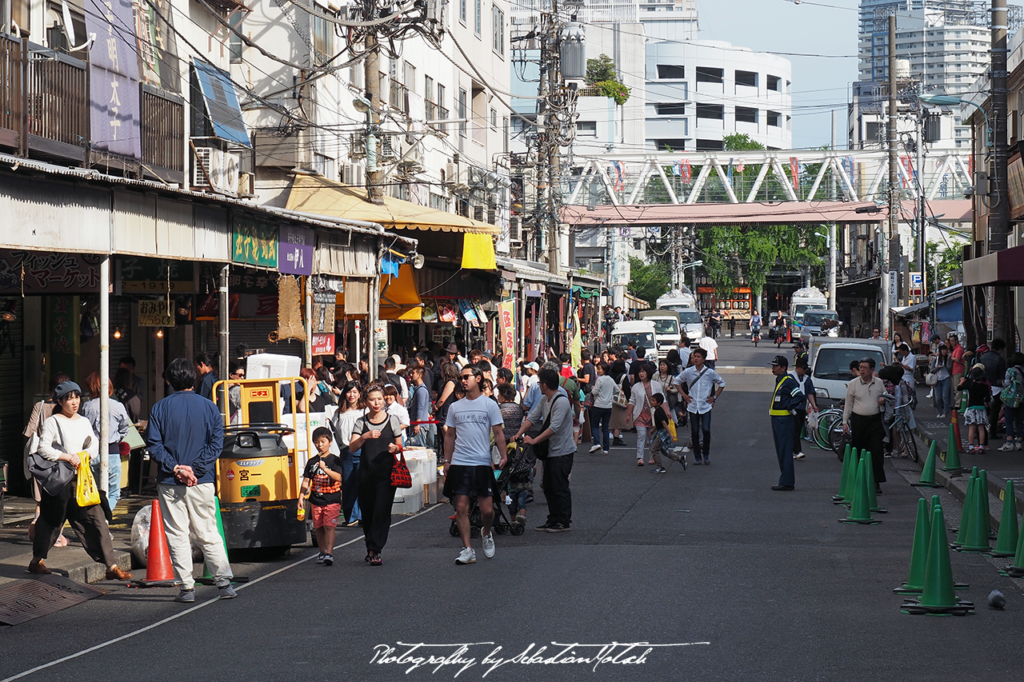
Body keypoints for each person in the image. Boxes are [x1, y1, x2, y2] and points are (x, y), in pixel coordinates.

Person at [145, 358, 233, 602]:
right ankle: (224, 583)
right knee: (207, 530)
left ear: (169, 380)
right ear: (193, 379)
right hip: (201, 480)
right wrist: (194, 469)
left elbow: (154, 445)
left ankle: (187, 588)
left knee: (177, 533)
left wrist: (176, 468)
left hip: (170, 481)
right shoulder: (209, 407)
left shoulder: (159, 408)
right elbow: (216, 444)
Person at [27, 381, 132, 580]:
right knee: (51, 521)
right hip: (61, 483)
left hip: (83, 480)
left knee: (97, 519)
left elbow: (94, 445)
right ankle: (36, 561)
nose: (74, 402)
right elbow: (43, 448)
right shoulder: (53, 421)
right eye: (70, 398)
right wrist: (67, 457)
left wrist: (83, 455)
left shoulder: (83, 421)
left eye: (77, 398)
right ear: (60, 401)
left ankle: (111, 565)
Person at [443, 365, 508, 564]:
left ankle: (486, 532)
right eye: (460, 377)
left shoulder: (489, 405)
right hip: (460, 462)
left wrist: (503, 455)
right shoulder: (455, 407)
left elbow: (498, 432)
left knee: (487, 510)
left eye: (466, 377)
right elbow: (450, 435)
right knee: (461, 507)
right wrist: (447, 460)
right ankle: (467, 549)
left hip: (481, 462)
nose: (462, 380)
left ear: (478, 378)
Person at [348, 386, 404, 566]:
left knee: (381, 510)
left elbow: (399, 445)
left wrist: (395, 448)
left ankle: (375, 549)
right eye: (372, 399)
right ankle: (370, 546)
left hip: (386, 474)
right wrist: (365, 436)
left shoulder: (392, 420)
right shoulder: (361, 422)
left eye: (379, 399)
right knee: (368, 511)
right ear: (365, 402)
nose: (376, 403)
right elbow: (352, 447)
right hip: (366, 473)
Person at [514, 368, 575, 533]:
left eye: (540, 382)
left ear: (545, 385)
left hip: (562, 451)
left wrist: (534, 440)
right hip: (550, 451)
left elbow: (554, 427)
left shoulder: (561, 401)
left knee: (559, 486)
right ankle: (553, 519)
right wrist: (519, 433)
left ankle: (563, 521)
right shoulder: (544, 399)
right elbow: (532, 418)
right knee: (548, 486)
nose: (539, 385)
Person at [23, 372, 71, 546]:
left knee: (41, 500)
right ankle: (56, 536)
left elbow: (29, 431)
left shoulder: (40, 405)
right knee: (60, 500)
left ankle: (37, 528)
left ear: (50, 390)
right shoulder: (68, 410)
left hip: (40, 460)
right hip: (62, 461)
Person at [80, 372, 131, 513]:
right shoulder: (118, 406)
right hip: (113, 451)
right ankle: (104, 517)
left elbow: (84, 430)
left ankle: (100, 519)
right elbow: (124, 428)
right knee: (114, 492)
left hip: (93, 453)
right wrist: (116, 437)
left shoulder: (86, 406)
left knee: (95, 491)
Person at [299, 427, 344, 566]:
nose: (320, 445)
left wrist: (325, 469)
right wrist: (301, 496)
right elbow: (306, 480)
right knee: (318, 526)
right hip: (316, 499)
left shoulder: (335, 460)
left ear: (330, 442)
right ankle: (322, 552)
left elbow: (339, 477)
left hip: (332, 499)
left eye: (323, 441)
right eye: (317, 442)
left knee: (329, 526)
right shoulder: (312, 462)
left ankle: (329, 553)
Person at [842, 358, 887, 493]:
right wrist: (845, 421)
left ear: (872, 370)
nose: (862, 370)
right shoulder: (853, 384)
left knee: (876, 450)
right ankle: (858, 478)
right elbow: (848, 404)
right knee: (859, 448)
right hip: (858, 420)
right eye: (860, 367)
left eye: (865, 367)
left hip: (875, 420)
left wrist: (883, 400)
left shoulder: (879, 383)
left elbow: (886, 395)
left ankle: (875, 481)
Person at [678, 348, 726, 465]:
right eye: (694, 356)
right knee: (694, 431)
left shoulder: (709, 372)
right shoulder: (688, 371)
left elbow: (722, 383)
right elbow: (677, 381)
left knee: (706, 429)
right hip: (693, 406)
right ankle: (697, 457)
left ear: (704, 359)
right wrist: (684, 395)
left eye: (698, 357)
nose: (695, 359)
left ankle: (706, 454)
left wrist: (714, 397)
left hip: (705, 406)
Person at [330, 382, 365, 527]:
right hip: (346, 451)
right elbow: (334, 433)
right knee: (348, 484)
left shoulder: (364, 412)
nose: (352, 395)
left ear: (359, 394)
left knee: (363, 484)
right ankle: (351, 517)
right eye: (349, 392)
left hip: (363, 450)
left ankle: (363, 516)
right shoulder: (338, 413)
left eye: (355, 392)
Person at [496, 383, 530, 529]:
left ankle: (508, 502)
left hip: (503, 446)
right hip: (518, 445)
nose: (497, 397)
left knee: (505, 475)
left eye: (499, 394)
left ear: (503, 395)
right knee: (518, 474)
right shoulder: (519, 409)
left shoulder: (498, 409)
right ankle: (520, 508)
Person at [769, 355, 804, 491]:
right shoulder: (781, 380)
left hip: (783, 419)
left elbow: (799, 396)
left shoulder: (788, 381)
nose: (773, 368)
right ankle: (785, 479)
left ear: (783, 368)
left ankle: (787, 481)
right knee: (781, 450)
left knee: (785, 451)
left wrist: (789, 405)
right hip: (777, 419)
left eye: (775, 366)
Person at [627, 363, 664, 467]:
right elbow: (632, 401)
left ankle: (652, 456)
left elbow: (662, 399)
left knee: (651, 436)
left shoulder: (656, 385)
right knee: (641, 435)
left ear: (648, 373)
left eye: (643, 372)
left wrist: (666, 412)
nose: (641, 374)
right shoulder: (635, 387)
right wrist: (628, 414)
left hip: (653, 415)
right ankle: (640, 457)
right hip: (640, 414)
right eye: (640, 372)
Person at [789, 358, 818, 461]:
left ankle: (793, 451)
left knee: (797, 429)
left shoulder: (807, 379)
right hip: (792, 408)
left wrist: (813, 405)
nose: (805, 371)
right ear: (798, 368)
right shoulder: (790, 378)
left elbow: (809, 393)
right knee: (795, 430)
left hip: (801, 408)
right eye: (804, 369)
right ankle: (797, 451)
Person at [649, 393, 685, 473]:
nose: (651, 402)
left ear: (658, 403)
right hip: (660, 431)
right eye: (651, 400)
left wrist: (670, 434)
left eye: (653, 400)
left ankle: (660, 467)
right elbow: (659, 423)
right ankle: (680, 458)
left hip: (662, 433)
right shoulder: (659, 410)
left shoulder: (658, 412)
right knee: (664, 451)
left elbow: (664, 423)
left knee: (654, 450)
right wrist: (653, 430)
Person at [959, 365, 991, 453]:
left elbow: (959, 388)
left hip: (971, 408)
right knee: (981, 428)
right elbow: (988, 399)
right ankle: (981, 447)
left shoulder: (970, 385)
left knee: (972, 428)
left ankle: (971, 447)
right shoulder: (985, 387)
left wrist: (962, 382)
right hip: (981, 408)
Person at [981, 339, 1007, 438]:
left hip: (984, 385)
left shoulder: (984, 357)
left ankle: (979, 431)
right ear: (1000, 348)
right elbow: (1002, 376)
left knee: (983, 410)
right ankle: (992, 432)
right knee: (994, 412)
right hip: (997, 387)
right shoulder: (999, 359)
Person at [588, 362, 615, 455]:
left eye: (599, 369)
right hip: (608, 406)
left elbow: (594, 392)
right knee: (605, 427)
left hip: (598, 405)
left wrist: (592, 388)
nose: (597, 370)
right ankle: (606, 448)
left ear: (604, 370)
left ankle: (597, 443)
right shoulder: (611, 379)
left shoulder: (599, 380)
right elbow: (617, 390)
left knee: (595, 425)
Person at [999, 352, 1024, 451]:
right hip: (1022, 399)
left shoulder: (1010, 370)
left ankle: (1009, 442)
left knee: (1009, 420)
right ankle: (1019, 442)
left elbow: (1006, 384)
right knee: (1019, 421)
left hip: (1011, 399)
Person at [408, 366, 434, 449]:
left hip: (420, 425)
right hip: (420, 424)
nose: (411, 375)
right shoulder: (419, 389)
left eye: (414, 373)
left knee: (420, 449)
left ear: (419, 375)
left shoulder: (421, 390)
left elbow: (421, 407)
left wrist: (417, 424)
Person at [930, 344, 953, 419]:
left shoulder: (948, 358)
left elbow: (950, 368)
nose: (944, 351)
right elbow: (932, 370)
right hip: (937, 380)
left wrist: (947, 362)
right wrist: (938, 368)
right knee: (938, 398)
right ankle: (939, 412)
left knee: (945, 396)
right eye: (942, 350)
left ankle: (945, 412)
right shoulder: (935, 359)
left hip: (946, 378)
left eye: (945, 350)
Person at [949, 332, 966, 408]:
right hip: (955, 370)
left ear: (956, 341)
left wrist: (951, 357)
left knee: (957, 388)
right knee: (955, 387)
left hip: (958, 370)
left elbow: (958, 359)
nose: (951, 342)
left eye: (953, 340)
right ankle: (957, 403)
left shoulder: (958, 349)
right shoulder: (955, 349)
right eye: (951, 341)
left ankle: (958, 404)